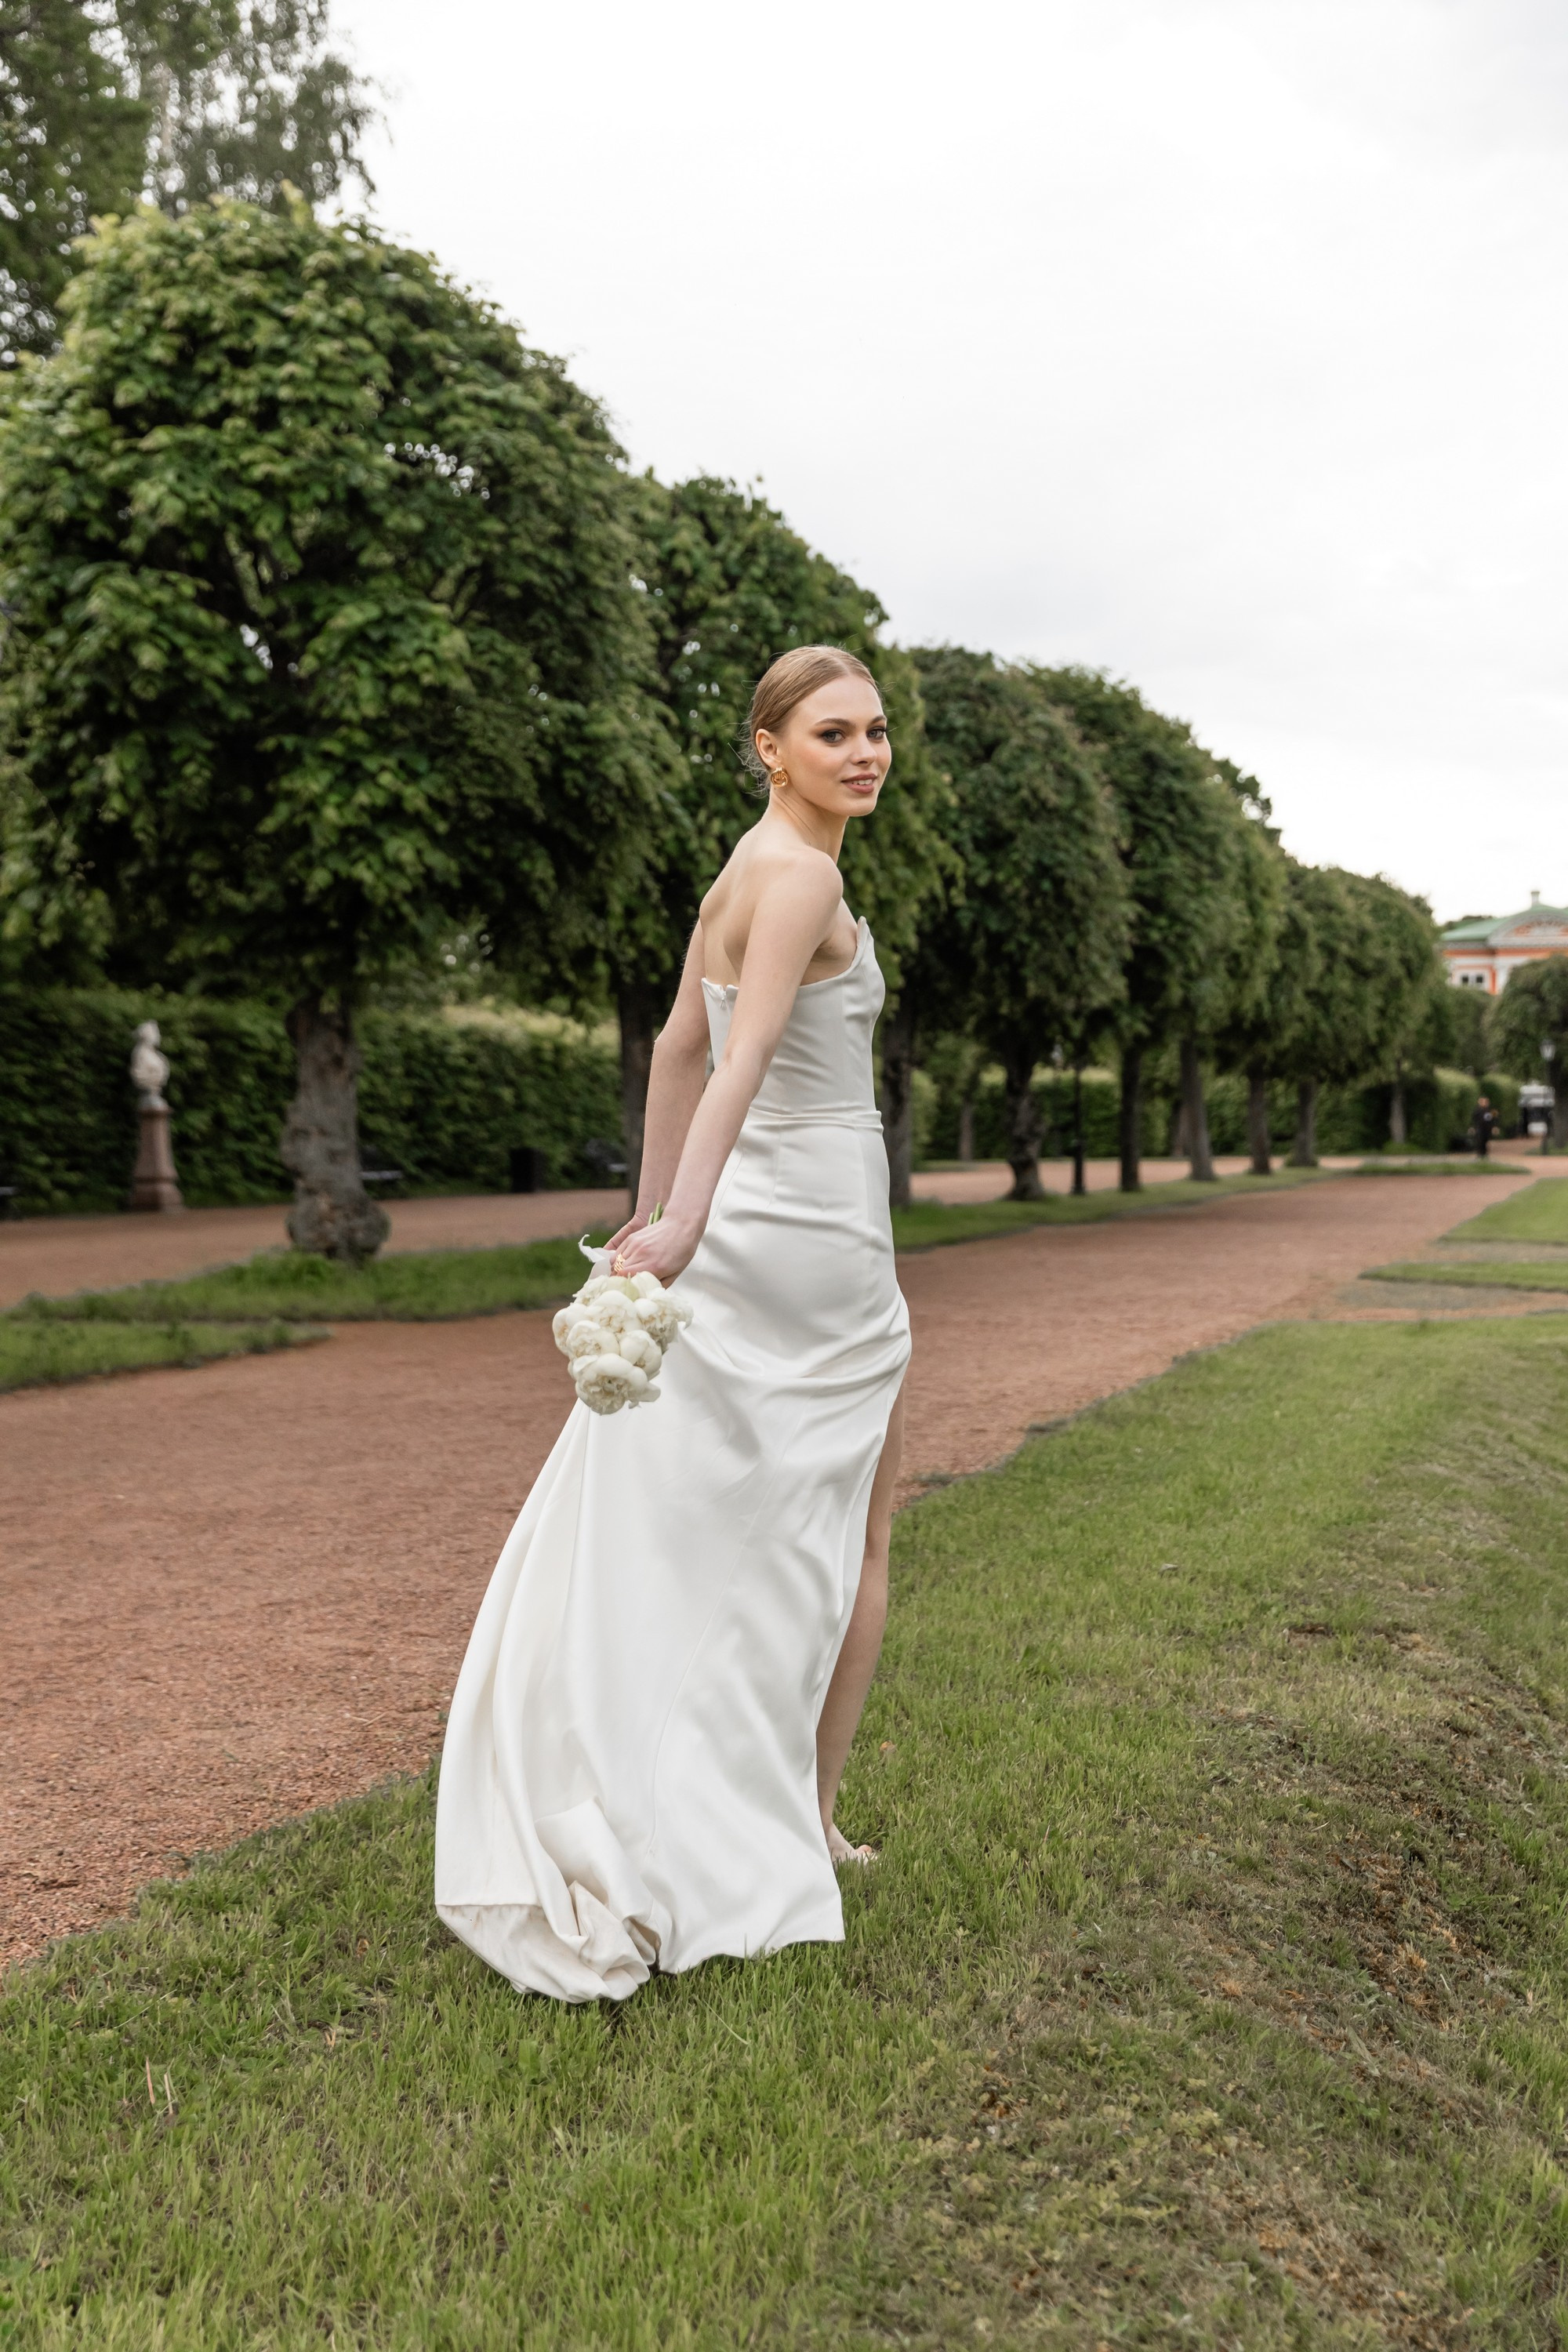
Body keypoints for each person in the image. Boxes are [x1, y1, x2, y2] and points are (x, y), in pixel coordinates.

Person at [434, 646, 912, 2002]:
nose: (865, 754)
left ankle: (767, 1804)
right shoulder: (802, 877)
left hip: (762, 1215)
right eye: (833, 733)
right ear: (770, 745)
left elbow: (673, 1052)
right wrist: (681, 1224)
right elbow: (738, 1058)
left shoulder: (741, 870)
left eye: (876, 731)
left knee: (729, 1511)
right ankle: (805, 1824)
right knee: (851, 1531)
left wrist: (650, 1225)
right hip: (810, 1230)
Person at [1472, 1094, 1498, 1158]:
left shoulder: (1491, 1110)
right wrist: (1473, 1127)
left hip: (1487, 1128)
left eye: (1485, 1101)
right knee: (1480, 1140)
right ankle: (1479, 1153)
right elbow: (1474, 1119)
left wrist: (1494, 1127)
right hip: (1479, 1127)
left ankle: (1485, 1153)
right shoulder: (1477, 1110)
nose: (1484, 1103)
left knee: (1486, 1140)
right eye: (1482, 1101)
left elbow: (1494, 1119)